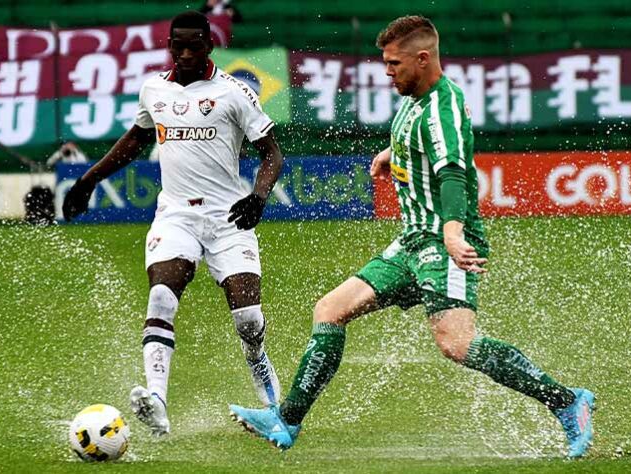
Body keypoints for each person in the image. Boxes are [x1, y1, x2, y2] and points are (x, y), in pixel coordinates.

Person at [229, 16, 596, 459]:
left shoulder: (442, 107)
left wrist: (454, 233)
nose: (387, 72)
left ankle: (568, 401)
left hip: (443, 245)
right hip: (411, 242)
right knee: (330, 310)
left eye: (393, 63)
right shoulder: (413, 98)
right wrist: (392, 154)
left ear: (422, 60)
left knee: (457, 344)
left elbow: (455, 174)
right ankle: (287, 419)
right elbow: (418, 140)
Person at [62, 11, 285, 436]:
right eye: (176, 45)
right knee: (162, 296)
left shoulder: (235, 92)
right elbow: (136, 137)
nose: (184, 53)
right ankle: (158, 401)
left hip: (228, 218)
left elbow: (272, 154)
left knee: (249, 321)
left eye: (193, 45)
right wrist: (88, 180)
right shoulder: (154, 89)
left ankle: (273, 404)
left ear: (209, 45)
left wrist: (258, 197)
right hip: (175, 214)